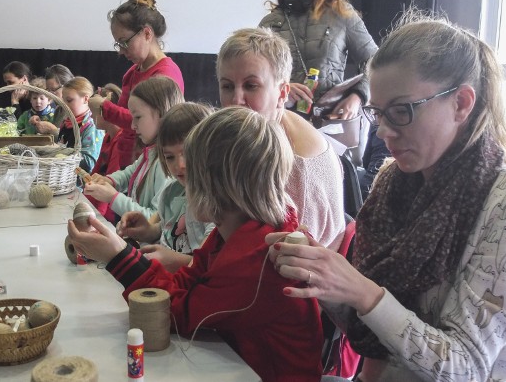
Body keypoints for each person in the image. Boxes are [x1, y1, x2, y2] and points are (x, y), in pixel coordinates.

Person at [268, 12, 506, 381]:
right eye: (378, 113)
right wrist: (319, 272)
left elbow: (466, 368)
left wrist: (363, 292)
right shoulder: (392, 182)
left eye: (402, 111)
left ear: (461, 103)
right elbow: (370, 332)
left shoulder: (500, 201)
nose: (384, 132)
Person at [68, 106, 323, 382]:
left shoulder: (257, 259)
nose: (182, 177)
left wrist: (117, 256)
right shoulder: (236, 232)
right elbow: (186, 281)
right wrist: (123, 252)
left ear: (220, 187)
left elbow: (179, 314)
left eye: (193, 173)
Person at [217, 27, 345, 250]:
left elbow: (288, 266)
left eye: (251, 86)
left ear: (283, 93)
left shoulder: (298, 166)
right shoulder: (256, 133)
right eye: (227, 86)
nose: (236, 100)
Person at [259, 0, 378, 161]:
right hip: (284, 124)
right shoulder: (270, 22)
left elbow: (376, 62)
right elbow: (256, 75)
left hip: (330, 123)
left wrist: (358, 96)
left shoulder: (340, 13)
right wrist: (281, 87)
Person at [89, 0, 184, 169]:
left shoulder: (166, 74)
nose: (121, 51)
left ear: (147, 33)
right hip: (128, 164)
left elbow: (151, 122)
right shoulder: (132, 73)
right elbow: (128, 123)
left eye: (125, 42)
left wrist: (104, 107)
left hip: (153, 166)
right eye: (118, 44)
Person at [117, 102, 215, 273]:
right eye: (170, 157)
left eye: (187, 153)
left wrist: (178, 262)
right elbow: (167, 228)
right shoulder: (172, 190)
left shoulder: (216, 203)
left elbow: (210, 264)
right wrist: (147, 231)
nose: (180, 165)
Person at [84, 76, 180, 220]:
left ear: (161, 114)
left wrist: (113, 198)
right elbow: (129, 173)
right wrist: (110, 180)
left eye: (138, 117)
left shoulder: (166, 163)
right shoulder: (152, 151)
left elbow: (154, 219)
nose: (133, 125)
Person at [86, 84, 125, 224]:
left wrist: (96, 219)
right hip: (100, 205)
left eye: (93, 112)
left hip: (111, 213)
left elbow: (110, 182)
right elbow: (96, 173)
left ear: (104, 112)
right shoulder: (108, 137)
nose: (90, 115)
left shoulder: (119, 140)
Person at [58, 77, 104, 173]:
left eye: (69, 100)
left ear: (86, 99)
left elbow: (89, 163)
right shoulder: (65, 123)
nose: (64, 105)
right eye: (63, 101)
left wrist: (62, 153)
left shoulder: (91, 126)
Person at [33, 63, 75, 136]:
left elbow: (73, 139)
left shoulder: (75, 110)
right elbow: (56, 140)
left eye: (53, 90)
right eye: (49, 91)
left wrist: (52, 130)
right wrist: (41, 125)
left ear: (67, 85)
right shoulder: (59, 110)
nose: (51, 95)